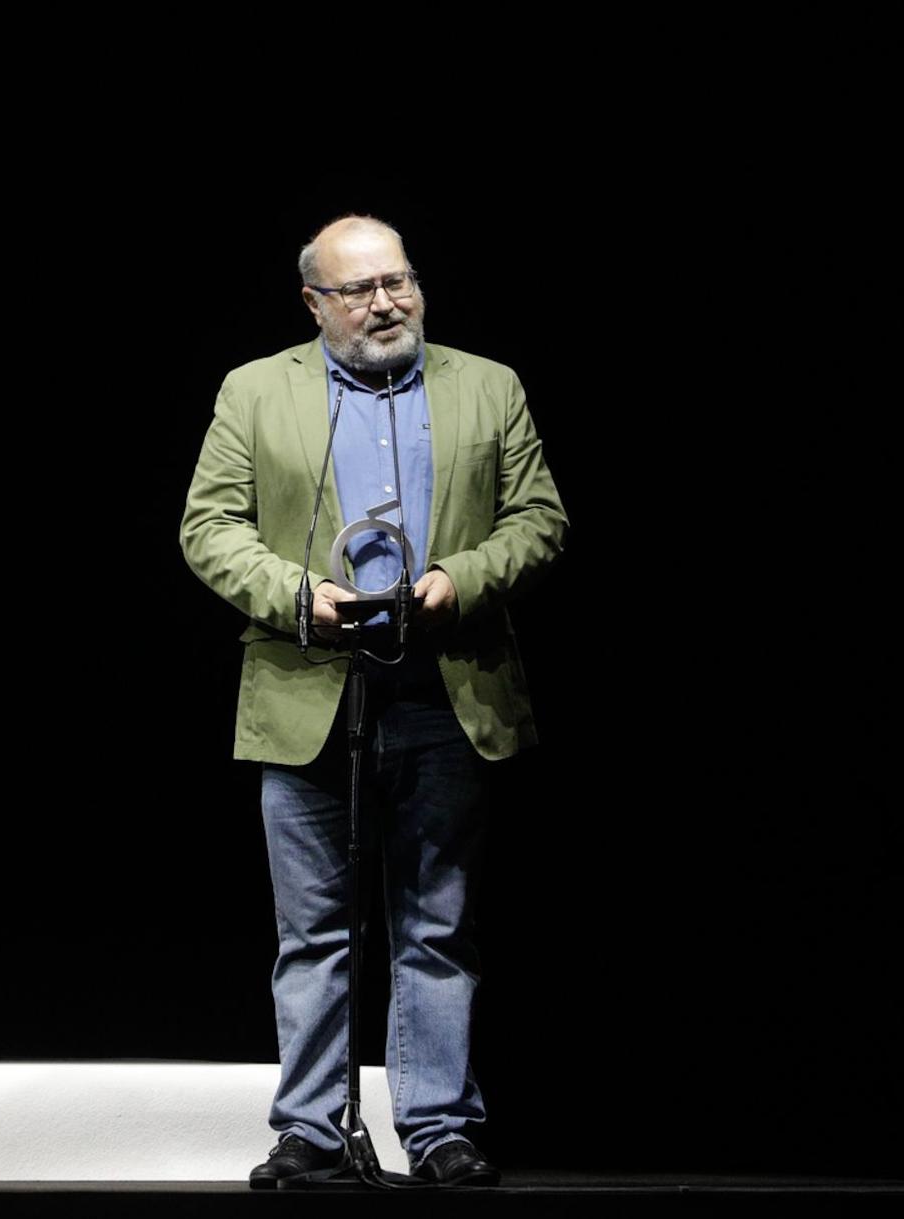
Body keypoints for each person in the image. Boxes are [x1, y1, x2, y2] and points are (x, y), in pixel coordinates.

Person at [179, 215, 568, 1188]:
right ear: (314, 304)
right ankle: (311, 1129)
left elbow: (540, 519)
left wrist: (459, 578)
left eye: (398, 281)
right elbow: (207, 526)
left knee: (435, 924)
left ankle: (436, 1125)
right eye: (358, 290)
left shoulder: (488, 385)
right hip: (306, 689)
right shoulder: (254, 389)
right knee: (312, 930)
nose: (386, 302)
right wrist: (295, 599)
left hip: (444, 691)